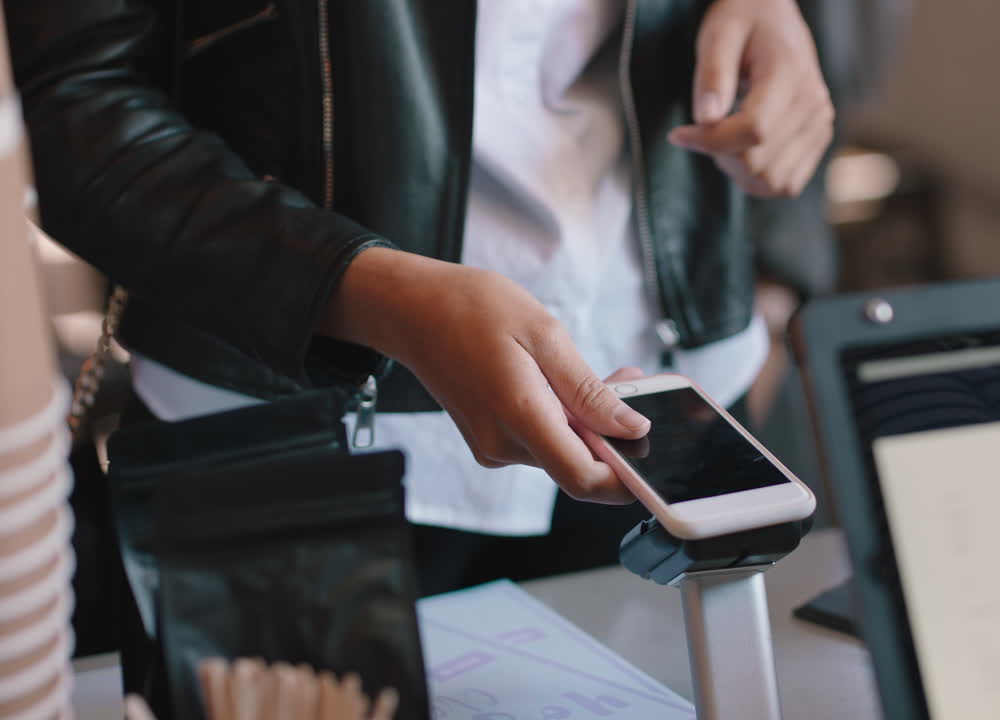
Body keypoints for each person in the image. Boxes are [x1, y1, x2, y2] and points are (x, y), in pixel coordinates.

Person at [6, 0, 834, 594]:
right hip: (291, 440)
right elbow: (75, 104)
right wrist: (369, 292)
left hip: (677, 407)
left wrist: (776, 282)